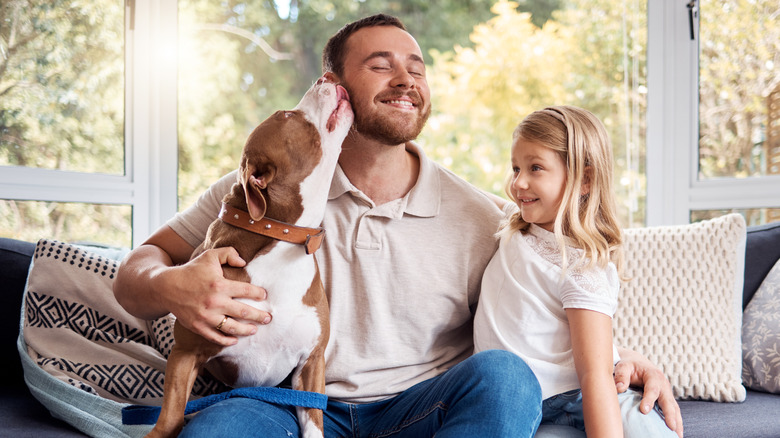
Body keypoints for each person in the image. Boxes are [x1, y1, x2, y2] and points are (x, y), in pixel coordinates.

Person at [113, 14, 683, 438]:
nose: (405, 79)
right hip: (289, 404)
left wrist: (616, 360)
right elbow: (133, 275)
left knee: (506, 378)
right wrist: (172, 286)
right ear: (333, 84)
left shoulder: (485, 217)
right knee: (217, 432)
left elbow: (543, 301)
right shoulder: (261, 189)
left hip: (424, 409)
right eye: (381, 65)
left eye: (416, 68)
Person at [473, 106, 678, 438]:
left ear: (584, 180)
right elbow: (462, 190)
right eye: (515, 168)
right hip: (535, 407)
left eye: (535, 168)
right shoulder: (517, 224)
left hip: (592, 398)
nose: (519, 182)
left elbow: (595, 376)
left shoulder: (583, 270)